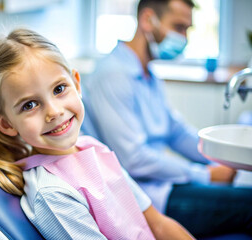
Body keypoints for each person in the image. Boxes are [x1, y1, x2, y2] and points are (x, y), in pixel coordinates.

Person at [0, 28, 194, 239]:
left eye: (59, 89)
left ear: (77, 84)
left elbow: (158, 224)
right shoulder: (51, 194)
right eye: (29, 105)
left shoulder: (94, 148)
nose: (54, 112)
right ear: (5, 124)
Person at [81, 0, 252, 238]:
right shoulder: (113, 75)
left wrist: (218, 157)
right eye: (179, 27)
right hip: (149, 198)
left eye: (187, 30)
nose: (184, 38)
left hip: (166, 185)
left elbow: (175, 131)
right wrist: (206, 174)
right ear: (147, 19)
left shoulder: (149, 73)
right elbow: (134, 159)